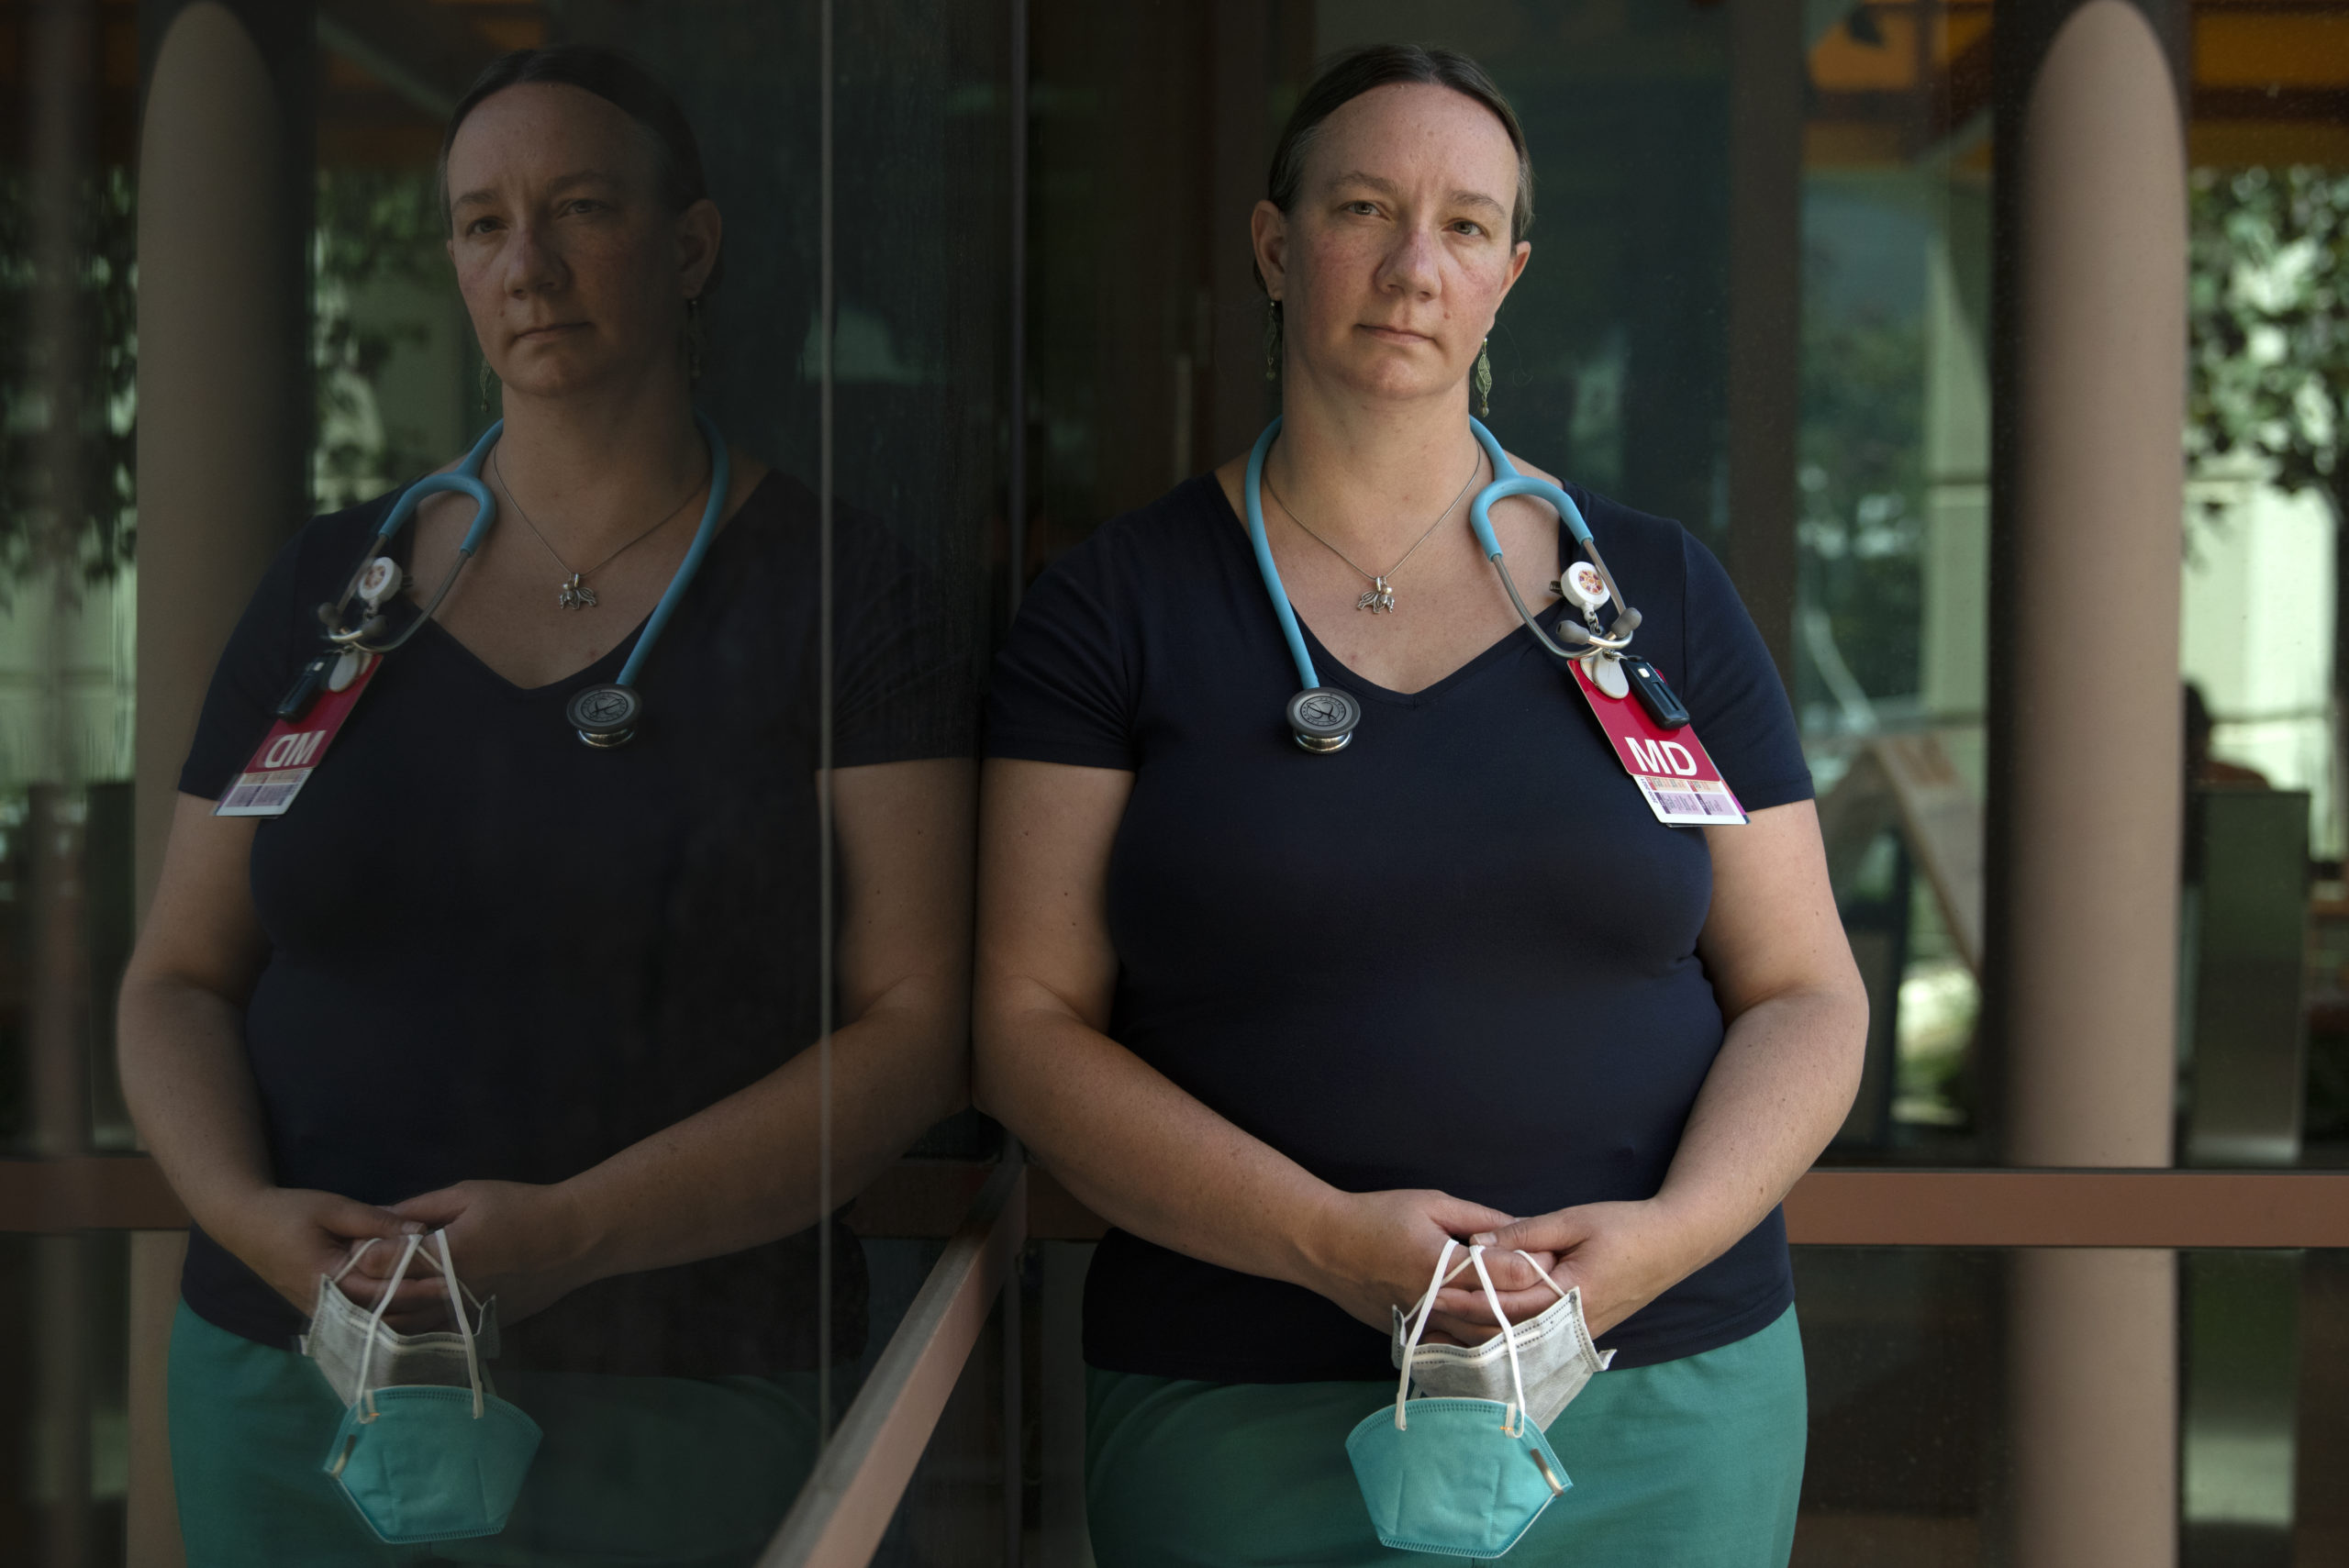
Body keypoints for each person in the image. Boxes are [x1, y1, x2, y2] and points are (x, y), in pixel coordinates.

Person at [974, 44, 1866, 1567]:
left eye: (1463, 226)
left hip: (1661, 1395)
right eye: (1363, 208)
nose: (1410, 266)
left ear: (1509, 274)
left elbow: (1802, 987)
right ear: (1273, 244)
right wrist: (1329, 1244)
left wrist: (1655, 1249)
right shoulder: (1116, 607)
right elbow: (1026, 1024)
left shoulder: (1650, 596)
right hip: (1240, 1391)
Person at [117, 46, 972, 1567]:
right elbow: (180, 973)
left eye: (582, 209)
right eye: (482, 224)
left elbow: (916, 1021)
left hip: (689, 1381)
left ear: (691, 245)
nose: (529, 263)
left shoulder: (842, 593)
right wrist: (252, 1222)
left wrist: (570, 1237)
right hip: (291, 1378)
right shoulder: (337, 589)